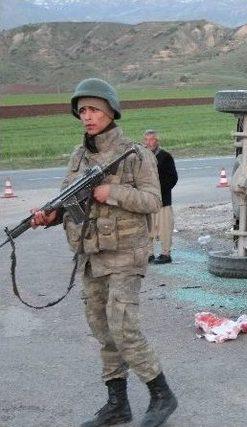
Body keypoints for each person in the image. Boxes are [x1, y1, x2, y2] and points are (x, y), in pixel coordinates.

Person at [30, 78, 177, 427]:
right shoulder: (79, 156)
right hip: (92, 256)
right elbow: (69, 201)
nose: (87, 116)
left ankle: (162, 395)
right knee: (102, 329)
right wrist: (51, 216)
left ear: (111, 111)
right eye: (82, 111)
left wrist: (112, 191)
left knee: (123, 325)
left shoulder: (135, 154)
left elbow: (153, 201)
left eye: (94, 109)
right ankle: (117, 405)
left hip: (126, 254)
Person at [143, 129, 178, 264]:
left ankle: (165, 254)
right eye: (147, 140)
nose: (149, 142)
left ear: (157, 141)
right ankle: (149, 254)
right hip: (147, 200)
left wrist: (159, 190)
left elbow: (173, 178)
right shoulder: (142, 157)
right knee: (148, 229)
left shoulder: (165, 157)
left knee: (165, 228)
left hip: (163, 200)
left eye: (152, 139)